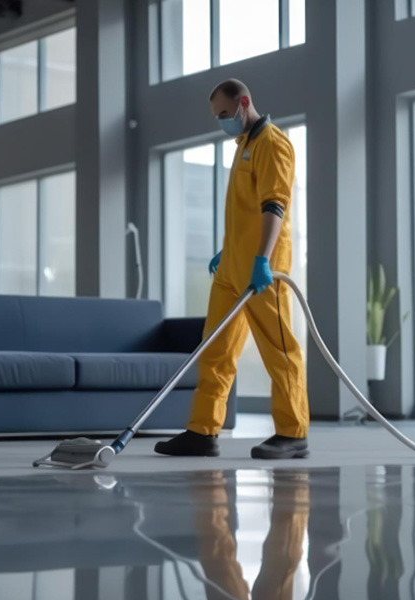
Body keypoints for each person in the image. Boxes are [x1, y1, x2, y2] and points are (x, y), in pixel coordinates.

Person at [155, 79, 309, 460]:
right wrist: (229, 251)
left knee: (278, 349)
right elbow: (246, 211)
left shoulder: (272, 143)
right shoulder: (245, 144)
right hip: (232, 268)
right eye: (217, 117)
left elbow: (275, 206)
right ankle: (203, 431)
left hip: (262, 268)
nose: (221, 122)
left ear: (244, 103)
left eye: (224, 114)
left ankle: (293, 434)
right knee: (215, 351)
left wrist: (261, 261)